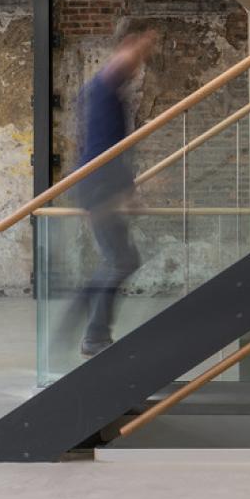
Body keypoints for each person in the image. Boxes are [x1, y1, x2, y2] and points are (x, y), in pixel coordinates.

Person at [74, 19, 160, 357]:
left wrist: (128, 190)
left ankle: (90, 317)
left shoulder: (108, 90)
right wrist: (121, 190)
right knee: (120, 259)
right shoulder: (104, 86)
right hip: (99, 188)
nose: (142, 60)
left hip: (102, 187)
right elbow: (103, 149)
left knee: (121, 258)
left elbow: (112, 147)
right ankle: (93, 332)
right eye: (141, 49)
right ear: (127, 43)